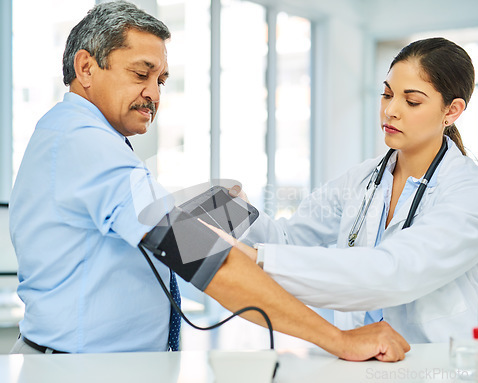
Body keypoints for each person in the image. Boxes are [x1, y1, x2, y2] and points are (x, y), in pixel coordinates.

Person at [8, 1, 409, 361]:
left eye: (161, 81)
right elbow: (194, 253)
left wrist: (199, 210)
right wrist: (338, 339)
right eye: (141, 74)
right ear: (86, 68)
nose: (153, 94)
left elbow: (116, 239)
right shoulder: (85, 144)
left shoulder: (82, 136)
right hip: (78, 368)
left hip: (92, 362)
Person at [225, 37, 478, 343]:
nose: (390, 110)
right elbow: (290, 239)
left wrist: (258, 259)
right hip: (363, 355)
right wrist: (238, 214)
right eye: (387, 94)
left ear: (452, 110)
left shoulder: (475, 194)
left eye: (412, 101)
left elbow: (392, 272)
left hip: (440, 363)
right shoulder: (363, 179)